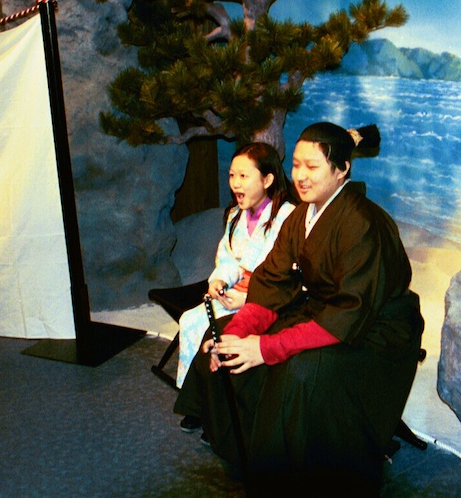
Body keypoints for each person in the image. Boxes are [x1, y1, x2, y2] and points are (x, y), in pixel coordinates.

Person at [174, 121, 424, 496]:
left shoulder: (362, 223)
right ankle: (249, 454)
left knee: (301, 370)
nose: (301, 177)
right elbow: (272, 284)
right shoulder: (300, 218)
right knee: (221, 336)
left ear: (342, 170)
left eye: (313, 167)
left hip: (375, 330)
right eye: (296, 166)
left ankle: (300, 478)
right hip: (324, 311)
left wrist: (266, 348)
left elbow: (349, 313)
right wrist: (239, 332)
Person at [176, 142, 296, 432]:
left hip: (265, 302)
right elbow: (228, 258)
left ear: (267, 180)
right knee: (190, 321)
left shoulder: (288, 217)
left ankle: (221, 410)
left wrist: (246, 299)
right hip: (233, 295)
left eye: (244, 176)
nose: (235, 184)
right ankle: (199, 401)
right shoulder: (235, 216)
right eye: (232, 176)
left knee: (217, 331)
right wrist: (220, 280)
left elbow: (286, 277)